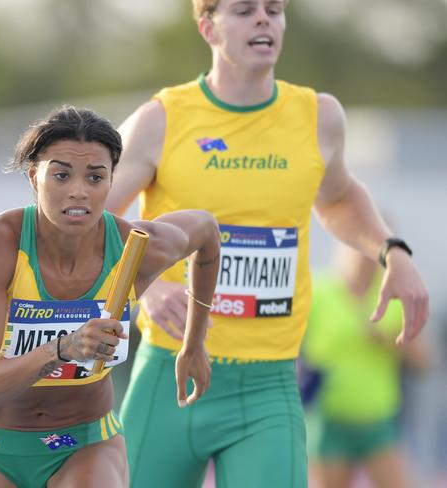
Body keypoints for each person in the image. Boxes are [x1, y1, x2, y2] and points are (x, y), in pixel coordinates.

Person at [105, 0, 430, 486]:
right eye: (243, 10)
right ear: (206, 26)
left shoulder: (318, 116)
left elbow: (339, 198)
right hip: (169, 374)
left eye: (274, 10)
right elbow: (93, 220)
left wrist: (392, 251)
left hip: (268, 386)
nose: (264, 19)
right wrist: (145, 286)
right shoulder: (160, 119)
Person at [0, 105, 221, 488]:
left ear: (112, 182)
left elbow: (208, 232)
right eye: (61, 175)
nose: (78, 190)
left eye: (95, 177)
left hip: (85, 444)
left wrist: (194, 343)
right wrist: (62, 349)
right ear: (34, 178)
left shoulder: (138, 247)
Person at [303, 244, 429, 488]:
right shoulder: (319, 291)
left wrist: (389, 341)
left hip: (378, 419)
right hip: (329, 418)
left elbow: (424, 361)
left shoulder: (395, 294)